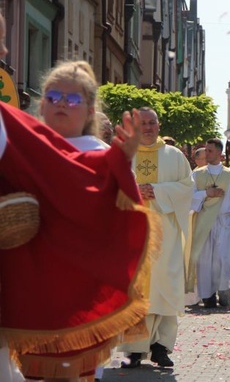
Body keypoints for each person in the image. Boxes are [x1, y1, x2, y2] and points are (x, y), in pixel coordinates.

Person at [0, 83, 149, 380]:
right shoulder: (27, 143)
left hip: (82, 272)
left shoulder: (101, 155)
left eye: (73, 99)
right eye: (54, 98)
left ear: (89, 110)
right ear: (42, 105)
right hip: (36, 272)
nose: (63, 105)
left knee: (78, 363)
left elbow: (121, 210)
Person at [120, 107, 194, 369]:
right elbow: (111, 186)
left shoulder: (174, 156)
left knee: (165, 286)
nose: (148, 127)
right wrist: (133, 191)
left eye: (152, 123)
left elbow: (187, 188)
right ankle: (134, 349)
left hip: (166, 235)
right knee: (136, 289)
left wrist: (158, 191)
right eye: (143, 123)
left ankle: (161, 347)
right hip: (133, 233)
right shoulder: (124, 154)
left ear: (159, 125)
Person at [187, 138, 230, 308]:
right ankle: (207, 295)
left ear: (220, 154)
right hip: (204, 220)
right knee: (205, 259)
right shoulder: (197, 174)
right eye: (205, 150)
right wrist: (207, 193)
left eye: (210, 151)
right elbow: (189, 196)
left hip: (223, 222)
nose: (206, 153)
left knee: (224, 258)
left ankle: (224, 292)